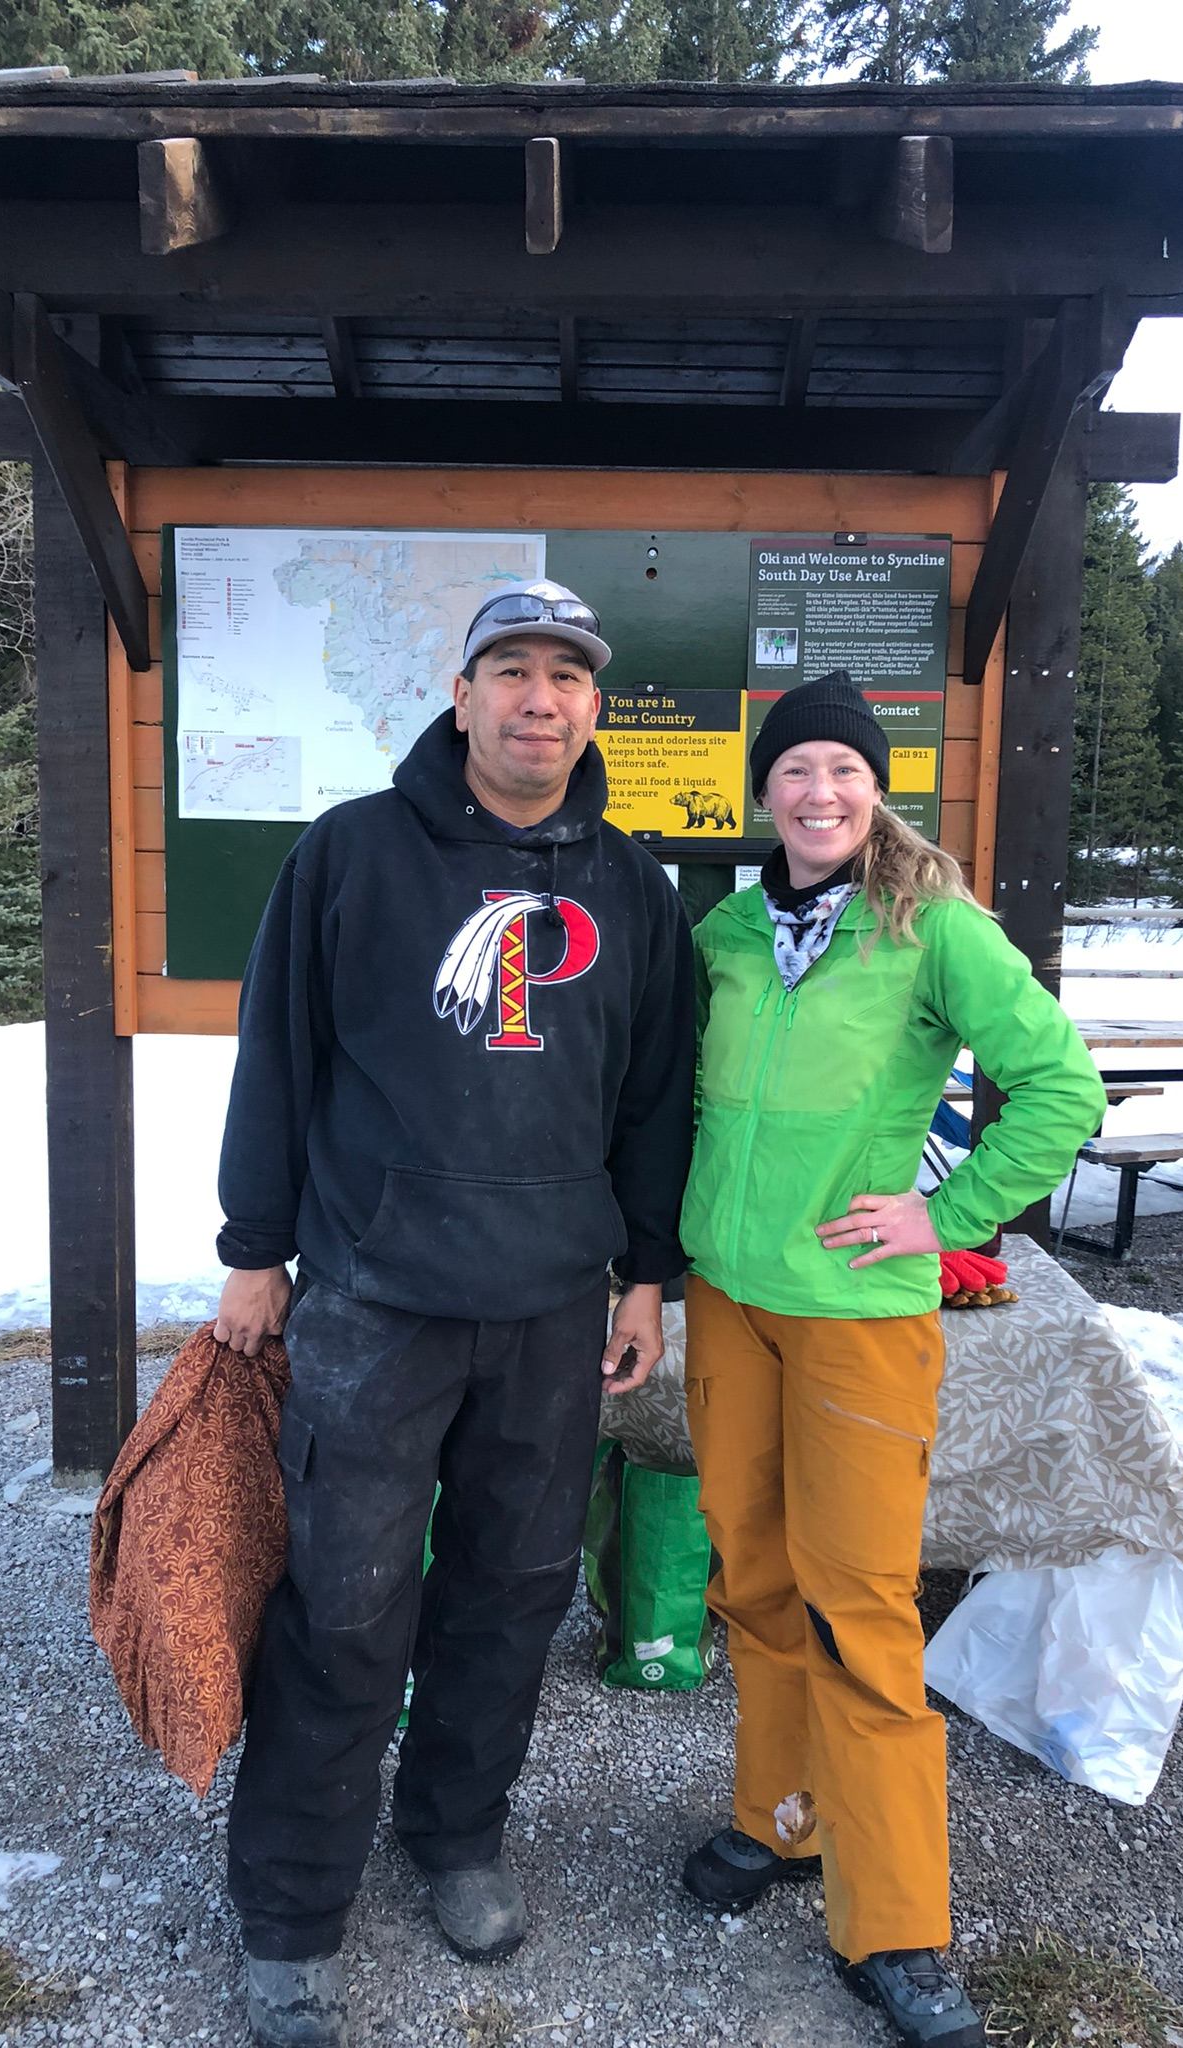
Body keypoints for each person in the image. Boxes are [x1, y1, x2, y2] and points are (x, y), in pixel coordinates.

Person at [212, 579, 695, 2048]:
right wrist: (256, 1245)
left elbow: (656, 1097)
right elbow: (278, 1056)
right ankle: (293, 1909)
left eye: (567, 675)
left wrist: (647, 1273)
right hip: (374, 1299)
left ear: (593, 706)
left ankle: (456, 1836)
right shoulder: (351, 853)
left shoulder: (633, 886)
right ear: (464, 691)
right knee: (345, 1604)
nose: (539, 699)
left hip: (552, 1309)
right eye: (512, 671)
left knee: (510, 1595)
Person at [677, 672, 1106, 2048]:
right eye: (795, 772)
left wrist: (950, 1212)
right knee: (749, 1574)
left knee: (857, 1604)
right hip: (729, 1302)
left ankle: (898, 1923)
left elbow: (1061, 1089)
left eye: (844, 773)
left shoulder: (932, 927)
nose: (818, 793)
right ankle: (782, 1823)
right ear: (765, 795)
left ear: (877, 791)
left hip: (859, 1316)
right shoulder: (732, 932)